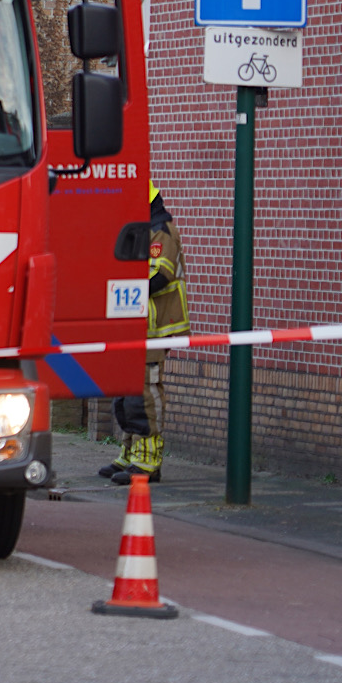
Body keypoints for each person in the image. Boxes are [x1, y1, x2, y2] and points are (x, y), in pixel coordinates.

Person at [101, 182, 189, 485]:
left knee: (145, 394)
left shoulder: (160, 230)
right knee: (125, 393)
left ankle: (149, 460)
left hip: (153, 327)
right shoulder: (139, 229)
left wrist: (122, 287)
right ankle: (129, 453)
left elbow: (160, 274)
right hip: (132, 325)